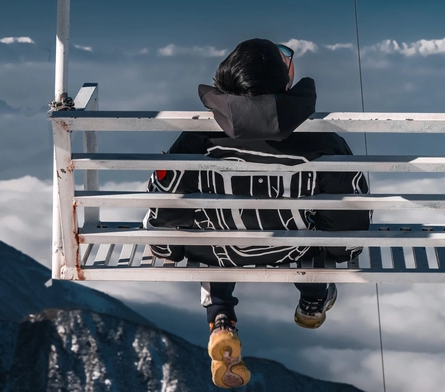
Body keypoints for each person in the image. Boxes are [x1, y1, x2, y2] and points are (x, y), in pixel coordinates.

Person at [142, 38, 370, 389]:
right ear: (283, 82)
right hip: (292, 248)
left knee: (210, 235)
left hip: (222, 251)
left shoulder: (198, 139)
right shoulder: (323, 141)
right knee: (316, 234)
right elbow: (348, 213)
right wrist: (342, 253)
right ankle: (313, 298)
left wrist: (165, 250)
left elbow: (170, 202)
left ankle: (221, 319)